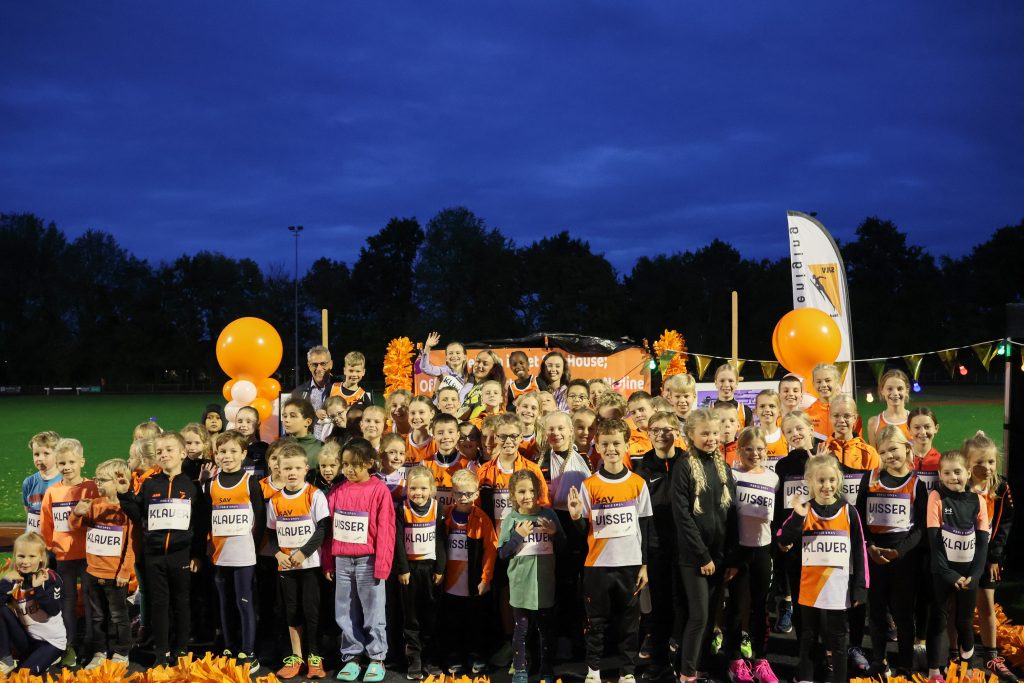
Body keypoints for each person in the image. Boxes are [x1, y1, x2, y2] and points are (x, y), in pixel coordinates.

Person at [567, 418, 652, 683]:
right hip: (597, 565)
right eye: (605, 444)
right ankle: (593, 671)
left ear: (627, 445)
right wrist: (575, 517)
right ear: (598, 447)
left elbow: (646, 527)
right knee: (596, 623)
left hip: (630, 564)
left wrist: (645, 565)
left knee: (629, 623)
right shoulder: (589, 485)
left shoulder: (638, 483)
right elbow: (583, 533)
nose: (612, 448)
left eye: (617, 443)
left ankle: (627, 672)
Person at [116, 432, 205, 666]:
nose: (163, 454)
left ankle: (181, 649)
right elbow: (137, 515)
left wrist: (197, 554)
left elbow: (200, 522)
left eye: (169, 450)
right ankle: (162, 652)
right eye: (159, 451)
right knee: (159, 604)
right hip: (154, 556)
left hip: (181, 556)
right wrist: (125, 494)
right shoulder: (149, 484)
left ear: (182, 454)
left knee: (182, 603)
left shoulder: (193, 486)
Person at [776, 454, 868, 683]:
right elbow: (783, 540)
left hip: (838, 588)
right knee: (808, 637)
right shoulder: (804, 510)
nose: (826, 486)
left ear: (838, 480)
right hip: (810, 588)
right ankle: (805, 678)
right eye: (820, 481)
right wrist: (797, 516)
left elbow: (859, 551)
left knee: (838, 640)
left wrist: (860, 587)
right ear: (810, 481)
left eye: (831, 480)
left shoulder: (849, 512)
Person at [854, 425, 926, 676]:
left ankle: (905, 662)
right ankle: (879, 659)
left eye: (893, 449)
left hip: (903, 558)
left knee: (904, 613)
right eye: (883, 452)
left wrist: (900, 552)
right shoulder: (870, 477)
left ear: (907, 448)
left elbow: (920, 529)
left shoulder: (916, 484)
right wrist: (870, 547)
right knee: (876, 612)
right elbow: (859, 518)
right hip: (874, 555)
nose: (889, 456)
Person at [323, 438, 396, 683]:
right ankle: (352, 656)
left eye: (355, 465)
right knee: (344, 611)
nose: (349, 470)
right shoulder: (338, 490)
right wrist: (329, 562)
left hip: (369, 561)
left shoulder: (379, 490)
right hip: (342, 560)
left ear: (369, 464)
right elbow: (328, 530)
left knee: (373, 612)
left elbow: (386, 530)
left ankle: (376, 657)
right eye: (345, 464)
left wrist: (382, 564)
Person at [671, 408, 735, 682]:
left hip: (720, 557)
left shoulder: (723, 467)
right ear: (691, 435)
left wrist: (730, 558)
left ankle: (699, 666)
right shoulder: (684, 466)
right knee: (698, 616)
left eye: (714, 433)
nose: (711, 438)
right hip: (694, 557)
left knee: (711, 620)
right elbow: (683, 516)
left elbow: (731, 515)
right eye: (705, 433)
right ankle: (686, 673)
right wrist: (702, 556)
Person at [267, 443, 331, 681]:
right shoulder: (274, 500)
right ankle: (296, 656)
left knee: (312, 612)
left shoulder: (314, 495)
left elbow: (323, 528)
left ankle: (315, 656)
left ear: (306, 468)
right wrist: (277, 554)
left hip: (310, 565)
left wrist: (304, 552)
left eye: (296, 468)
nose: (291, 473)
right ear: (279, 470)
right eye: (287, 468)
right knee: (291, 611)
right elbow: (271, 532)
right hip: (285, 567)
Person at [925, 450, 989, 682]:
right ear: (940, 476)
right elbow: (935, 542)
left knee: (964, 622)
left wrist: (975, 573)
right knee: (939, 620)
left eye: (958, 472)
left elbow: (982, 544)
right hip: (942, 573)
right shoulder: (937, 497)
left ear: (968, 473)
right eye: (947, 473)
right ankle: (934, 670)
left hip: (969, 575)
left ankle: (967, 668)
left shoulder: (978, 501)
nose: (953, 477)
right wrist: (950, 574)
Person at [206, 431, 266, 671]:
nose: (227, 456)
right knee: (224, 601)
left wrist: (253, 547)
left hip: (244, 555)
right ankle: (230, 646)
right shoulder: (211, 484)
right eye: (222, 451)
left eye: (233, 451)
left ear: (243, 454)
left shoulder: (250, 482)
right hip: (220, 555)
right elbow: (206, 519)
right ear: (215, 455)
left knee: (245, 601)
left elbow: (259, 519)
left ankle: (249, 651)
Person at [724, 427, 780, 683]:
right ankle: (735, 660)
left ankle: (760, 659)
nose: (754, 453)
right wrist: (731, 555)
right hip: (739, 550)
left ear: (766, 452)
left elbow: (776, 516)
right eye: (748, 448)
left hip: (763, 549)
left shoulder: (773, 478)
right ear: (739, 451)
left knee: (761, 607)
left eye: (759, 449)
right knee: (737, 607)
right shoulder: (732, 476)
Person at [631, 411, 684, 681]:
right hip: (655, 548)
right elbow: (639, 516)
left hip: (685, 547)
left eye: (668, 429)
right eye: (656, 430)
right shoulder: (641, 468)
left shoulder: (687, 462)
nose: (662, 434)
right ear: (648, 434)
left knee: (683, 606)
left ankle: (685, 663)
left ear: (677, 431)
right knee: (659, 609)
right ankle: (659, 663)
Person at [68, 458, 134, 669]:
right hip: (92, 572)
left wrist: (125, 571)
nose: (98, 484)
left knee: (118, 616)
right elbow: (76, 526)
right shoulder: (94, 504)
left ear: (119, 481)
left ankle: (122, 652)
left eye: (103, 480)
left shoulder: (127, 509)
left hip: (115, 575)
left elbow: (132, 543)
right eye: (97, 479)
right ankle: (100, 652)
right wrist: (76, 515)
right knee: (97, 616)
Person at [499, 469, 564, 683]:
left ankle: (546, 669)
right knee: (521, 630)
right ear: (513, 494)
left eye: (532, 491)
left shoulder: (549, 515)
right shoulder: (511, 519)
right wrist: (518, 536)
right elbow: (503, 553)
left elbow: (564, 546)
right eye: (521, 491)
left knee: (546, 630)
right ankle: (519, 670)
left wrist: (554, 532)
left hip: (545, 584)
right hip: (520, 585)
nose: (527, 496)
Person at [39, 437, 98, 667]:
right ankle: (69, 645)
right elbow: (47, 525)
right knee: (67, 602)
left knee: (92, 600)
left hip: (90, 555)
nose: (67, 467)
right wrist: (51, 547)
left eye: (72, 462)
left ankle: (93, 643)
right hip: (64, 558)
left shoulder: (92, 488)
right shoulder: (52, 492)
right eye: (62, 463)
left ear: (82, 461)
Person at [965, 431, 1017, 682]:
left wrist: (995, 556)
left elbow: (1006, 522)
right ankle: (958, 656)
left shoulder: (1001, 486)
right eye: (979, 462)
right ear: (967, 463)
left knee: (986, 606)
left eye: (991, 462)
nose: (986, 467)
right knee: (958, 607)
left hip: (987, 559)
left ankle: (991, 655)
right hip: (962, 556)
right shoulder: (960, 486)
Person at [393, 465, 447, 680]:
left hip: (431, 569)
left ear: (432, 489)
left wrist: (441, 568)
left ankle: (430, 658)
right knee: (411, 617)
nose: (418, 493)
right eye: (413, 488)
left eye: (423, 488)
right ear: (407, 488)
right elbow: (397, 541)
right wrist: (403, 568)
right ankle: (414, 659)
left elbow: (441, 539)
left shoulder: (437, 507)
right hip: (410, 571)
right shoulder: (402, 508)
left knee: (431, 615)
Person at [441, 469, 497, 675]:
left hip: (473, 582)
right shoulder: (445, 516)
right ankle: (455, 655)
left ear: (476, 494)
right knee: (453, 622)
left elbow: (490, 551)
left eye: (468, 493)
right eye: (458, 493)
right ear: (452, 493)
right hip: (450, 583)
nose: (463, 498)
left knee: (476, 622)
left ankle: (477, 655)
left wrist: (486, 578)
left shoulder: (482, 520)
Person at [771, 411, 821, 637]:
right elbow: (782, 508)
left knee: (821, 601)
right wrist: (783, 537)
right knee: (800, 599)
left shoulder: (823, 458)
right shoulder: (782, 466)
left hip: (820, 538)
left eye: (800, 428)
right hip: (793, 542)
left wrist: (816, 467)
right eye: (789, 431)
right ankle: (804, 651)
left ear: (811, 428)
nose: (795, 434)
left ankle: (828, 653)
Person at [0, 533, 66, 675]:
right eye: (21, 556)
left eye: (32, 556)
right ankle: (5, 659)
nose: (25, 561)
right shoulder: (14, 578)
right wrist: (5, 582)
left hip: (51, 642)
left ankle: (52, 657)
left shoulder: (49, 578)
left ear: (41, 557)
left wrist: (37, 589)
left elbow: (53, 610)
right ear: (15, 556)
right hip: (27, 640)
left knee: (20, 677)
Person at [421, 413, 469, 510]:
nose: (446, 437)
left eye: (450, 432)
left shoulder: (467, 465)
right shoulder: (424, 464)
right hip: (432, 520)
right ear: (433, 435)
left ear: (458, 435)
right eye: (440, 433)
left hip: (455, 521)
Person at [23, 431, 62, 535]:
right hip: (34, 536)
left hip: (55, 537)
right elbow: (27, 508)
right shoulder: (29, 482)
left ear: (57, 455)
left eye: (46, 454)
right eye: (36, 454)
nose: (40, 458)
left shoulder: (64, 481)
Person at [290, 345, 340, 418]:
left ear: (331, 364)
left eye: (323, 364)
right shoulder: (298, 393)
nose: (319, 368)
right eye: (314, 365)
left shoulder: (342, 387)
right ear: (309, 366)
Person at [867, 369, 913, 447]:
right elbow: (874, 457)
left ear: (907, 390)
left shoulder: (914, 420)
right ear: (882, 391)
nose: (895, 393)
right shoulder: (874, 423)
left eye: (900, 389)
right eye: (890, 389)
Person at [419, 332, 470, 400]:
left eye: (458, 353)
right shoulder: (443, 370)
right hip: (439, 408)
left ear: (464, 357)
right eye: (450, 353)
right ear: (446, 358)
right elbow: (425, 368)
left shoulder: (468, 378)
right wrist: (428, 347)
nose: (454, 356)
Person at [282, 397, 323, 468]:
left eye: (293, 416)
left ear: (307, 422)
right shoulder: (280, 447)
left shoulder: (321, 448)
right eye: (285, 416)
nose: (286, 420)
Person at [710, 363, 753, 429]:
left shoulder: (745, 411)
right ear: (716, 383)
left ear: (736, 383)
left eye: (730, 381)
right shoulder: (707, 411)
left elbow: (751, 437)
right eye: (722, 381)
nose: (726, 384)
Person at [909, 408, 941, 491]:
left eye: (927, 427)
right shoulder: (901, 461)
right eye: (917, 427)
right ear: (909, 430)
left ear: (936, 428)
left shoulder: (942, 462)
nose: (923, 432)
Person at [406, 395, 439, 464]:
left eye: (421, 412)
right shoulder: (401, 441)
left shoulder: (438, 443)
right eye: (412, 413)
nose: (416, 417)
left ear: (432, 414)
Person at [235, 405, 268, 472]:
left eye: (248, 421)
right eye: (240, 421)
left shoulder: (265, 448)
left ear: (258, 424)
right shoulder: (231, 447)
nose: (243, 425)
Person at [514, 393, 542, 462]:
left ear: (539, 414)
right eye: (525, 406)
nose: (529, 411)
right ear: (517, 409)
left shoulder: (544, 439)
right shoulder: (508, 435)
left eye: (533, 408)